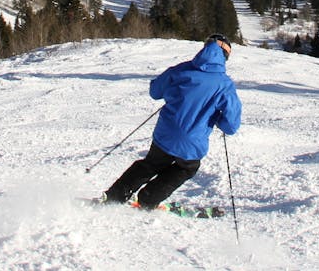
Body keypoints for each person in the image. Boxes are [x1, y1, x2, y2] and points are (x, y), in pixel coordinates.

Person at [103, 34, 243, 210]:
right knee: (187, 168)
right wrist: (218, 120)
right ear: (225, 57)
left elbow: (155, 92)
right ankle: (148, 198)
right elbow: (231, 126)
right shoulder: (225, 85)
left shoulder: (181, 69)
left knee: (151, 164)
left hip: (165, 133)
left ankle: (115, 195)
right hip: (192, 142)